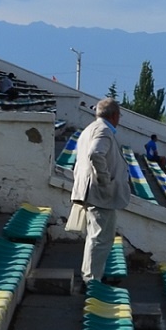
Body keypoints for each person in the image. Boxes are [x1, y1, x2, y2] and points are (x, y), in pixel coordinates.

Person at [69, 98, 130, 294]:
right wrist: (105, 180)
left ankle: (91, 276)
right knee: (101, 237)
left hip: (89, 190)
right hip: (99, 192)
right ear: (114, 116)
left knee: (96, 236)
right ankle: (92, 281)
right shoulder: (103, 131)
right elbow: (96, 154)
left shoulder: (89, 129)